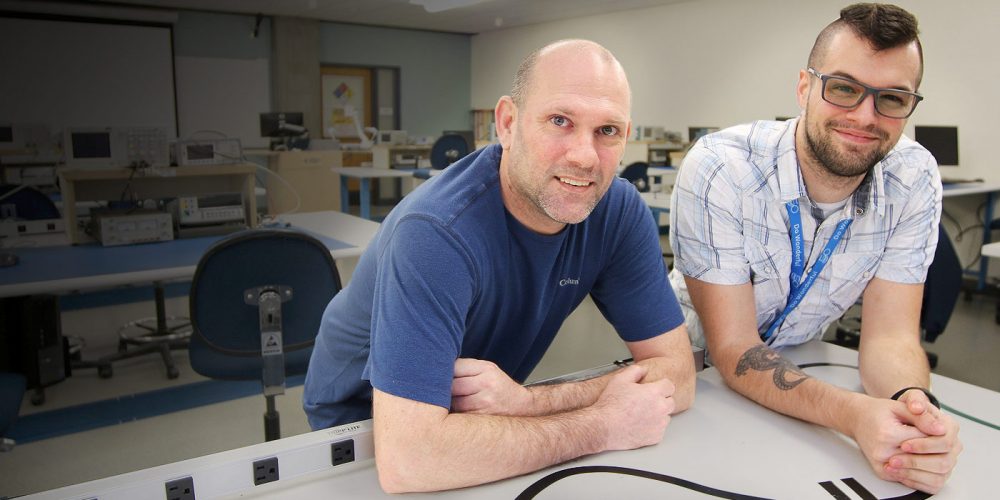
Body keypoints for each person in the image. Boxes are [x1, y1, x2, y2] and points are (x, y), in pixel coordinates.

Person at [304, 39, 696, 493]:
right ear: (508, 123)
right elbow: (409, 459)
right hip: (364, 419)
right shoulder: (436, 232)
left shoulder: (617, 210)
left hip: (484, 406)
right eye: (559, 121)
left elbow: (678, 375)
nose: (584, 156)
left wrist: (528, 403)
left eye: (607, 131)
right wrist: (602, 424)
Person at [668, 3, 961, 494]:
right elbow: (734, 348)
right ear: (804, 87)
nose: (865, 117)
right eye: (843, 88)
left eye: (892, 98)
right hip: (692, 372)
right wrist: (856, 415)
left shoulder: (914, 177)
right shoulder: (722, 167)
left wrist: (912, 413)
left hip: (799, 367)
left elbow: (891, 339)